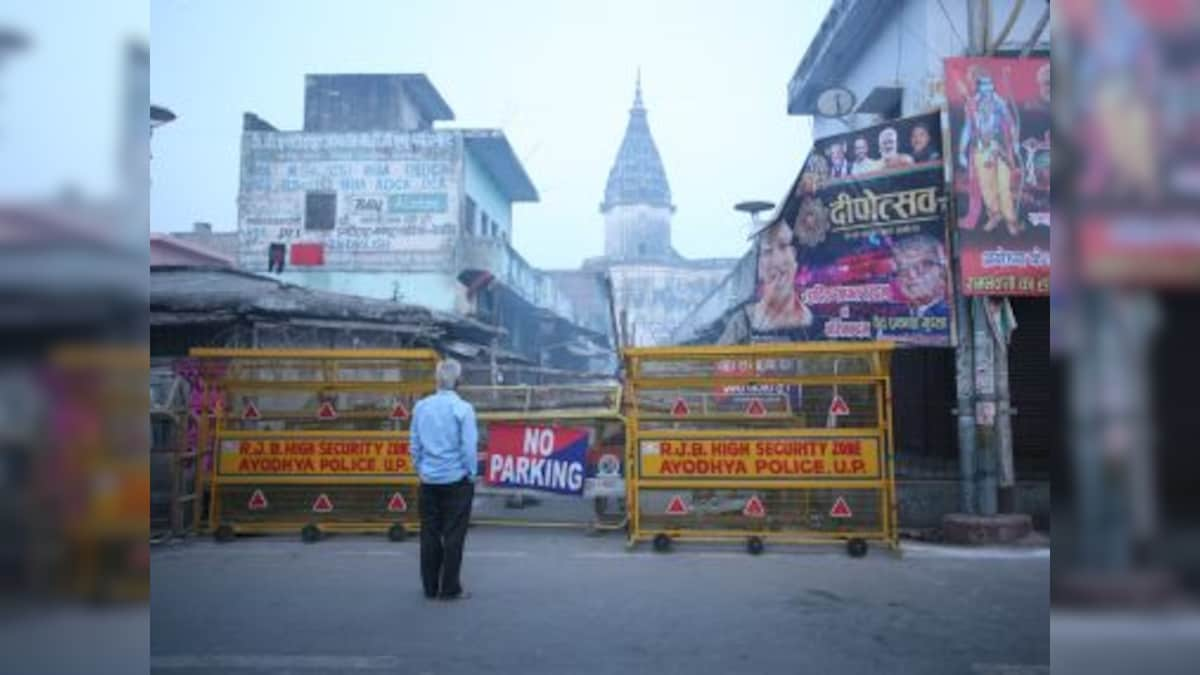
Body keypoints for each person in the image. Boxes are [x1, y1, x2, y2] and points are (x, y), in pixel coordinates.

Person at [410, 358, 478, 601]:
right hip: (456, 481)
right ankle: (449, 588)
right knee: (453, 535)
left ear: (437, 381)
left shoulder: (421, 407)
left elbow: (414, 445)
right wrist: (472, 474)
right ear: (458, 381)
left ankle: (429, 588)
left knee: (429, 534)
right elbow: (468, 448)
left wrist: (421, 469)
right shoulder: (464, 409)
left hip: (428, 481)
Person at [956, 65, 1021, 235]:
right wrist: (961, 151)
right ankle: (994, 214)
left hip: (1000, 149)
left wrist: (1014, 143)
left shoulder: (999, 103)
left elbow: (1011, 123)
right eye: (983, 85)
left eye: (989, 85)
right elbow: (967, 128)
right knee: (986, 187)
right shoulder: (971, 104)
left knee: (1004, 186)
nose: (987, 89)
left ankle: (1011, 220)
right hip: (981, 150)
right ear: (977, 86)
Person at [891, 234, 949, 318]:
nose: (912, 275)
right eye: (903, 269)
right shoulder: (891, 319)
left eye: (924, 265)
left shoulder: (953, 313)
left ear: (942, 270)